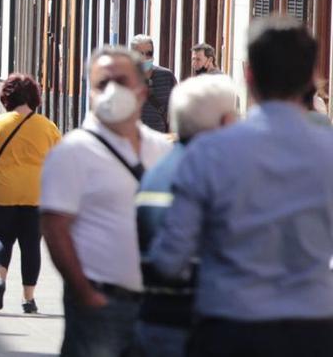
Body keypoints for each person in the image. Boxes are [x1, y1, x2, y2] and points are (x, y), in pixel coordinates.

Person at [149, 18, 333, 356]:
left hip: (230, 322)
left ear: (248, 76)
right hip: (313, 325)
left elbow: (170, 258)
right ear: (310, 78)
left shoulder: (210, 151)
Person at [41, 46, 173, 357]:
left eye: (122, 82)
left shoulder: (162, 151)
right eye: (102, 83)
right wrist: (84, 292)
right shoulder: (72, 152)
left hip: (156, 306)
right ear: (89, 92)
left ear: (142, 90)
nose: (112, 91)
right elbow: (54, 227)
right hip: (100, 303)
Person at [132, 74, 236, 357]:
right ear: (226, 122)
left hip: (151, 320)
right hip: (190, 325)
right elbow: (172, 258)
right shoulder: (207, 175)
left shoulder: (156, 172)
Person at [0, 74, 61, 314]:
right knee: (31, 244)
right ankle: (28, 298)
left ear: (6, 97)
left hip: (3, 191)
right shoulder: (47, 126)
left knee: (2, 236)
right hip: (36, 193)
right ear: (34, 97)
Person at [130, 34, 178, 133]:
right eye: (140, 54)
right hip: (132, 142)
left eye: (149, 53)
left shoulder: (166, 76)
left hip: (160, 140)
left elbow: (177, 109)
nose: (145, 57)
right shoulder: (125, 78)